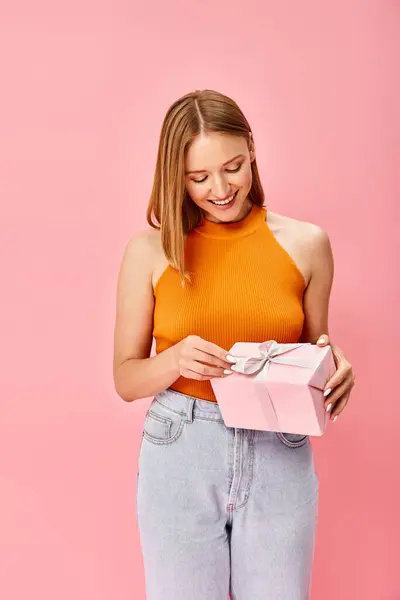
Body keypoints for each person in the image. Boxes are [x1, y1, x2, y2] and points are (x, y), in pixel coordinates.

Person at [113, 89, 356, 600]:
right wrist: (175, 359)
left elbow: (315, 352)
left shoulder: (307, 243)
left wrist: (336, 371)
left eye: (233, 167)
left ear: (252, 148)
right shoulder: (149, 251)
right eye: (198, 178)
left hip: (279, 447)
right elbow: (125, 378)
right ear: (173, 176)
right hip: (180, 448)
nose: (221, 189)